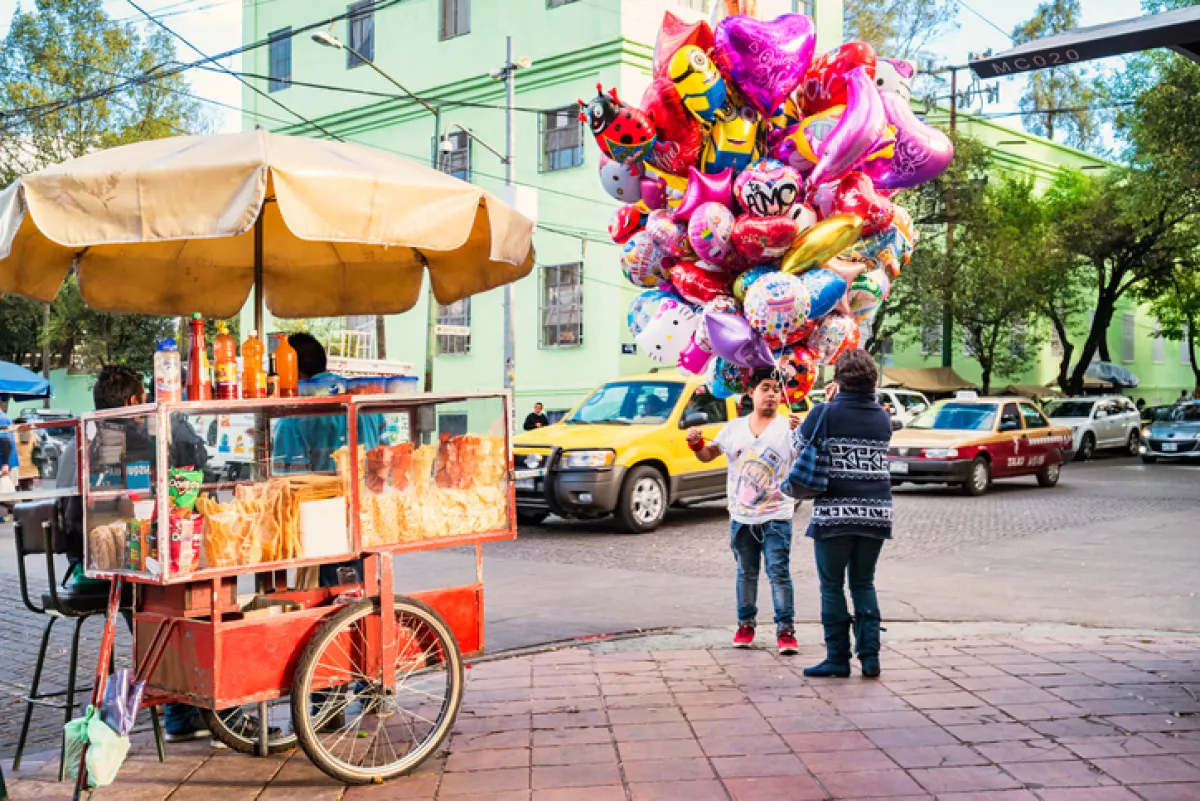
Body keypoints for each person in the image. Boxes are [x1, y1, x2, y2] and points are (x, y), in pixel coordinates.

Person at [56, 365, 216, 741]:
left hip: (79, 566)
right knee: (175, 606)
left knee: (160, 599)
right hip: (116, 571)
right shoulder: (136, 441)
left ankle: (183, 711)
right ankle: (183, 713)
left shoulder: (76, 440)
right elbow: (192, 471)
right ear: (133, 402)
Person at [793, 349, 894, 679]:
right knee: (864, 582)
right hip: (876, 512)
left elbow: (797, 445)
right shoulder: (882, 417)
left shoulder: (824, 412)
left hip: (834, 513)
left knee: (832, 585)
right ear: (872, 380)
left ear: (838, 379)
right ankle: (870, 657)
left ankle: (837, 658)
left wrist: (826, 404)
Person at [688, 370, 803, 655]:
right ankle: (745, 625)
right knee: (746, 573)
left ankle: (786, 630)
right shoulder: (734, 427)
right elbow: (708, 455)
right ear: (751, 393)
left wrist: (804, 436)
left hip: (777, 514)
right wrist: (695, 442)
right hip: (741, 516)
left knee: (779, 573)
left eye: (777, 389)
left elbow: (803, 461)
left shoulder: (788, 427)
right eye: (766, 388)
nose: (773, 394)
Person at [273, 332, 378, 587]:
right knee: (363, 598)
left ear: (293, 371)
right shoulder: (364, 403)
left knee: (327, 604)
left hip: (321, 526)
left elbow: (288, 485)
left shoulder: (294, 414)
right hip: (368, 518)